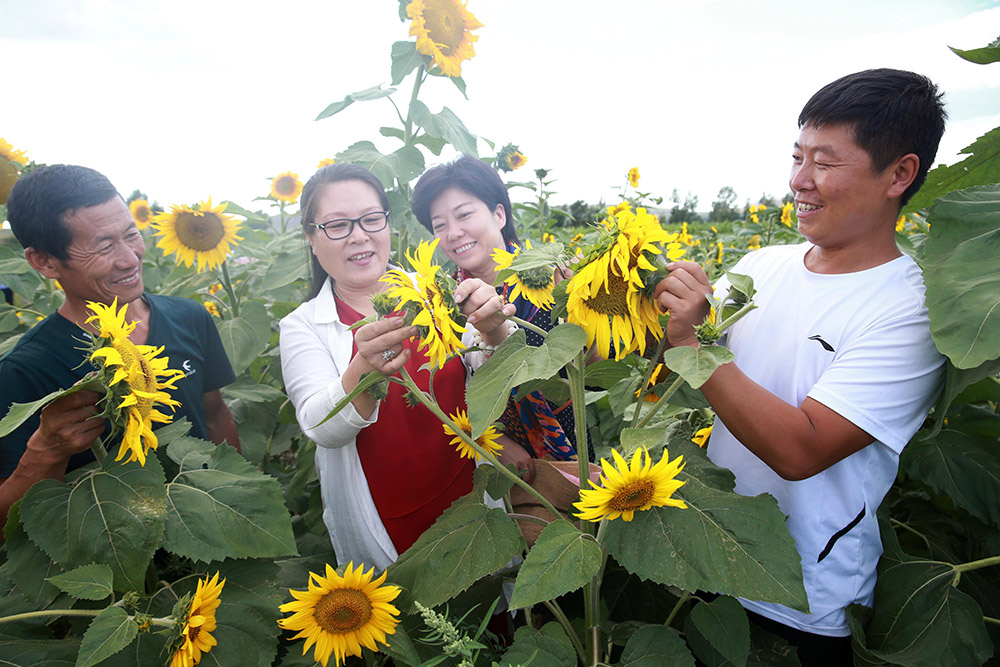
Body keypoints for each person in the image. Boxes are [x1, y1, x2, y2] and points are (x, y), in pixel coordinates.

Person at [654, 69, 947, 664]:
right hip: (709, 560)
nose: (799, 181)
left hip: (801, 602)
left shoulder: (910, 311)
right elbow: (679, 360)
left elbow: (802, 450)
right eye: (796, 156)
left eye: (825, 162)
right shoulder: (762, 266)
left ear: (900, 174)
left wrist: (692, 345)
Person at [279, 163, 509, 571]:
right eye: (337, 226)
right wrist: (363, 373)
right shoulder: (302, 327)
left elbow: (488, 369)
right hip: (386, 515)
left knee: (489, 605)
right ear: (311, 238)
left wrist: (494, 331)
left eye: (371, 219)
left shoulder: (430, 289)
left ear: (387, 225)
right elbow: (320, 426)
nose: (359, 235)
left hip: (468, 492)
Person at [0, 164, 240, 528]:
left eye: (130, 235)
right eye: (103, 247)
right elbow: (7, 524)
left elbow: (214, 414)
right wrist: (45, 451)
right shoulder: (27, 368)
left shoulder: (189, 317)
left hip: (205, 534)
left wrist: (235, 497)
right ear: (44, 261)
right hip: (117, 567)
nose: (129, 258)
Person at [412, 156, 589, 482]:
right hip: (492, 462)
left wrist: (581, 304)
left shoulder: (552, 277)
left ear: (498, 214)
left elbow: (591, 367)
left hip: (572, 439)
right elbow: (452, 390)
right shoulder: (444, 304)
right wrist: (494, 442)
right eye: (439, 225)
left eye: (464, 214)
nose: (453, 232)